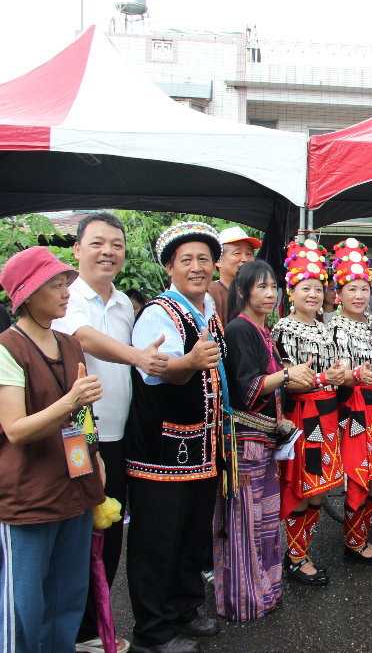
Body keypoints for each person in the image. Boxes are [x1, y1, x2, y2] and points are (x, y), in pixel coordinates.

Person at [52, 212, 168, 653]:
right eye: (98, 243)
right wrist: (137, 356)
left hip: (118, 438)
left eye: (116, 244)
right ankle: (77, 632)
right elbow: (82, 339)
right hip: (77, 439)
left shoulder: (124, 304)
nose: (108, 252)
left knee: (109, 529)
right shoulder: (68, 297)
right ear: (77, 249)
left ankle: (94, 625)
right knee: (77, 535)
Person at [127, 222, 228, 652]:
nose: (196, 267)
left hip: (203, 447)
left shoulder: (208, 311)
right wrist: (189, 361)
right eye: (186, 260)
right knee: (157, 540)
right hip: (162, 449)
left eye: (204, 259)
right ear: (169, 267)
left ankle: (185, 608)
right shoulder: (159, 312)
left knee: (192, 534)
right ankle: (152, 630)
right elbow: (154, 371)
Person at [0, 246, 105, 651]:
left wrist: (95, 456)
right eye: (55, 285)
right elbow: (15, 430)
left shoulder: (69, 344)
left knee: (68, 598)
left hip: (75, 488)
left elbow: (84, 414)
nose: (66, 293)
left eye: (65, 283)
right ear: (27, 295)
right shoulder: (8, 348)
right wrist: (69, 402)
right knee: (24, 606)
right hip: (30, 497)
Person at [213, 261, 312, 621]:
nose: (271, 294)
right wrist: (287, 374)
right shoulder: (240, 328)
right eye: (262, 287)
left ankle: (265, 591)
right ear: (242, 292)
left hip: (265, 438)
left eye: (273, 287)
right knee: (247, 522)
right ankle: (245, 600)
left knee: (265, 522)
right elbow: (248, 388)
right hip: (246, 442)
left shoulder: (262, 329)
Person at [272, 238, 346, 586]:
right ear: (291, 292)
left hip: (329, 414)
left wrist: (342, 376)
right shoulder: (283, 329)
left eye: (318, 288)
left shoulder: (325, 327)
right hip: (305, 416)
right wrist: (323, 378)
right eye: (306, 288)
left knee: (320, 488)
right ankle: (296, 557)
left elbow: (331, 374)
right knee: (303, 487)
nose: (314, 294)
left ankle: (300, 552)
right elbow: (286, 380)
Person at [327, 238, 372, 565]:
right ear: (338, 294)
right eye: (351, 289)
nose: (359, 295)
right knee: (359, 474)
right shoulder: (333, 328)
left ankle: (361, 537)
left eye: (364, 289)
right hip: (355, 408)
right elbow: (334, 374)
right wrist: (353, 376)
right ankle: (354, 544)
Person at [208, 226, 261, 326]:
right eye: (237, 253)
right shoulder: (211, 294)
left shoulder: (255, 294)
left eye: (249, 253)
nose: (245, 259)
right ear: (218, 260)